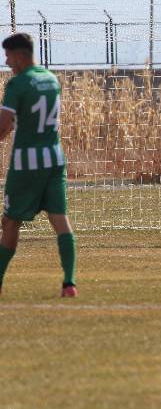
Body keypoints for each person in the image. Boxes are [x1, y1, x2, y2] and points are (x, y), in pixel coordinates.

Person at [0, 33, 77, 297]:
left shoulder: (18, 84)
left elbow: (4, 125)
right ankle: (69, 283)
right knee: (59, 220)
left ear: (20, 55)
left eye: (8, 56)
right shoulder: (51, 79)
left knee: (10, 222)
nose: (7, 62)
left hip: (26, 165)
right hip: (54, 159)